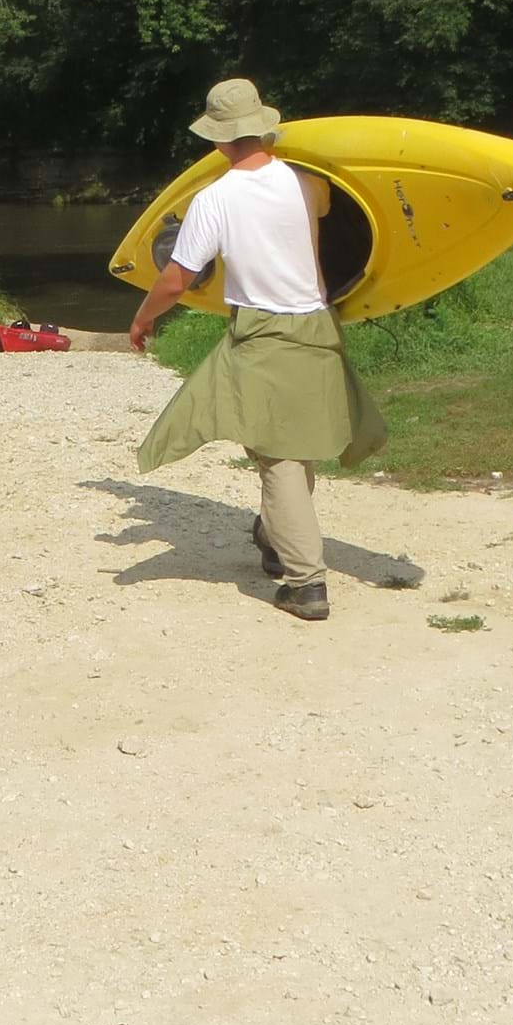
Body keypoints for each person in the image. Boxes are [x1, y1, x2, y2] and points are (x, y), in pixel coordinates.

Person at [127, 77, 385, 624]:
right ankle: (273, 534)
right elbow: (335, 213)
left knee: (277, 454)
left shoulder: (214, 199)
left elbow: (177, 278)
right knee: (296, 440)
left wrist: (142, 317)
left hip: (262, 333)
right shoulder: (306, 185)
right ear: (261, 127)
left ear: (218, 139)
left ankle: (306, 583)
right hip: (317, 324)